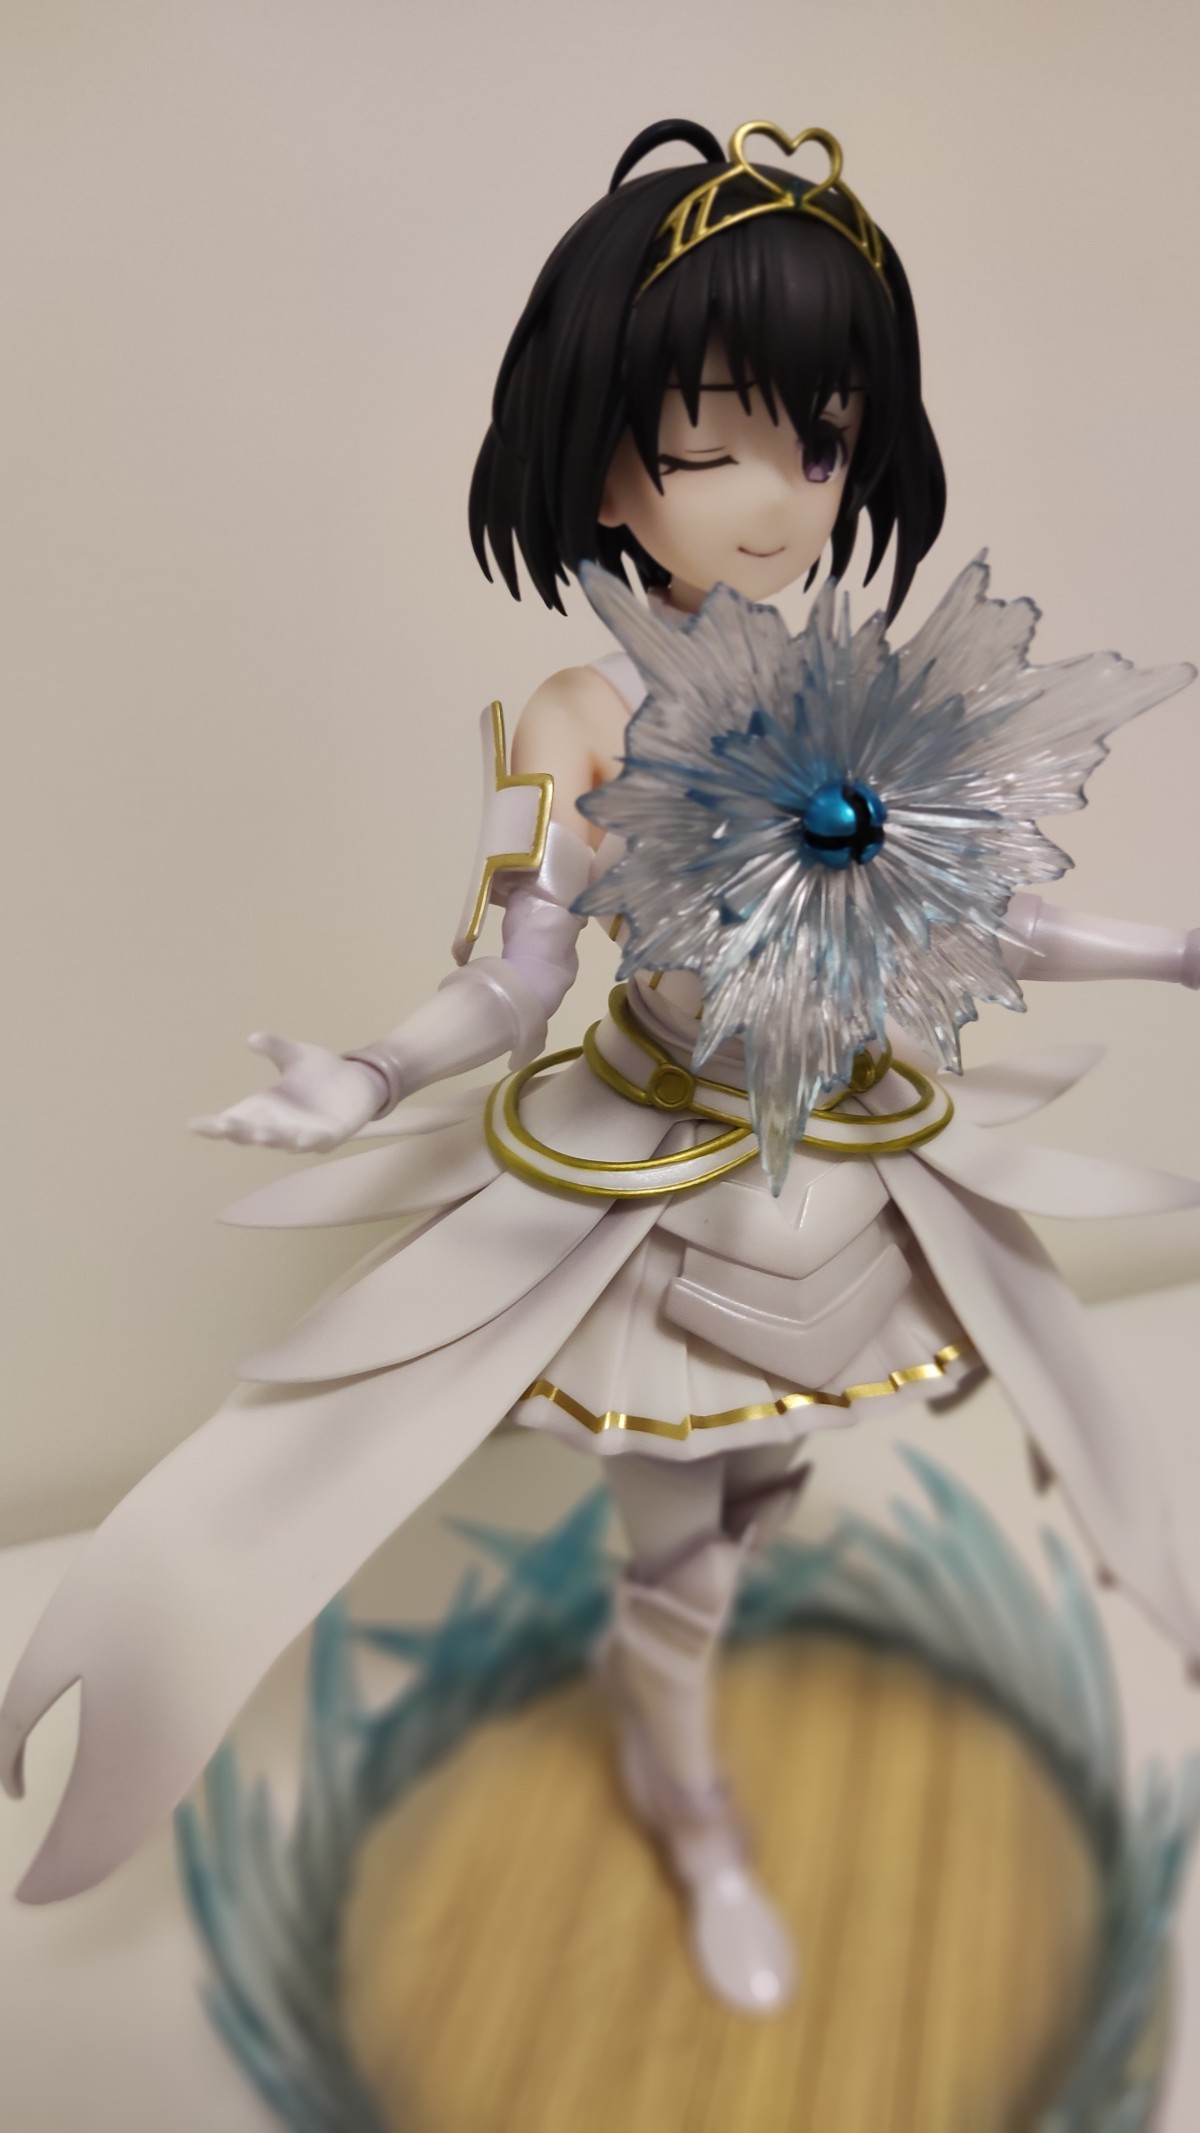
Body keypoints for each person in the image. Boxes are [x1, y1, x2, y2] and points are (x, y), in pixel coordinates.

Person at [3, 118, 1198, 2017]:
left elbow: (969, 911)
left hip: (834, 1169)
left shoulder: (838, 678)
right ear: (612, 463)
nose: (784, 497)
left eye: (823, 441)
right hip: (663, 1185)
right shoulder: (580, 714)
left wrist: (1170, 948)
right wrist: (364, 1078)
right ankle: (686, 1794)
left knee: (768, 1488)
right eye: (719, 444)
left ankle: (702, 1714)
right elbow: (516, 977)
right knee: (682, 1550)